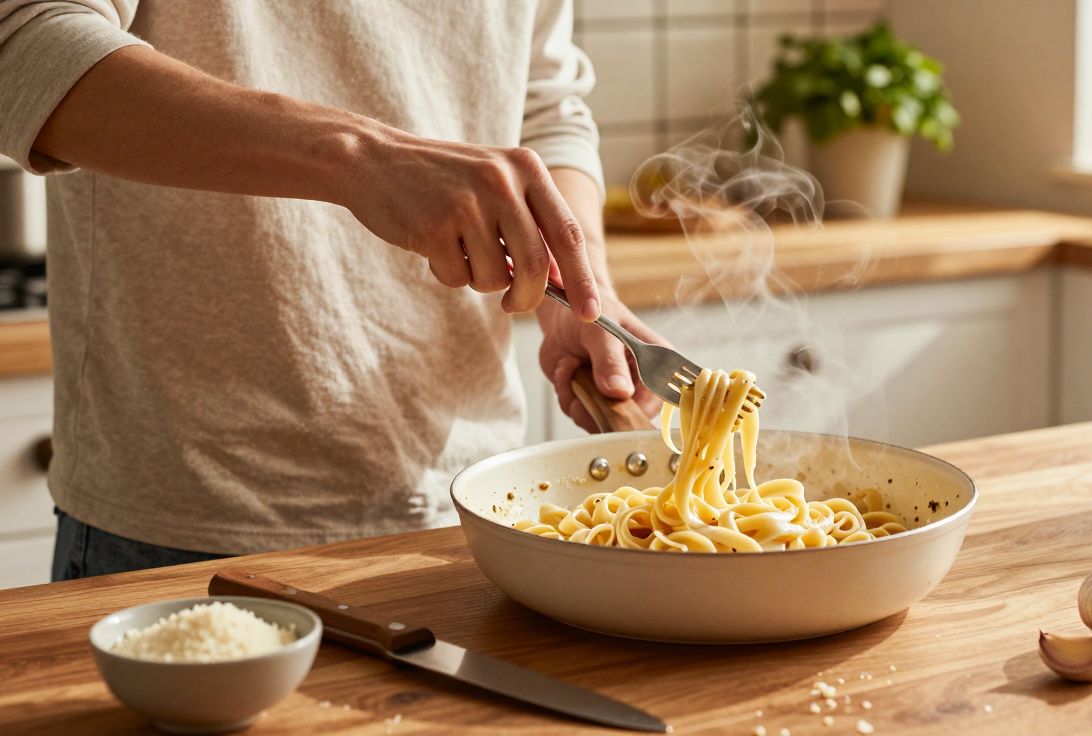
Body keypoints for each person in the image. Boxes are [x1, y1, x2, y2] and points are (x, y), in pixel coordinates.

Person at [0, 0, 666, 580]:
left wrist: (582, 289)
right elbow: (24, 40)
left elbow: (544, 104)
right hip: (185, 523)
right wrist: (359, 157)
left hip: (471, 508)